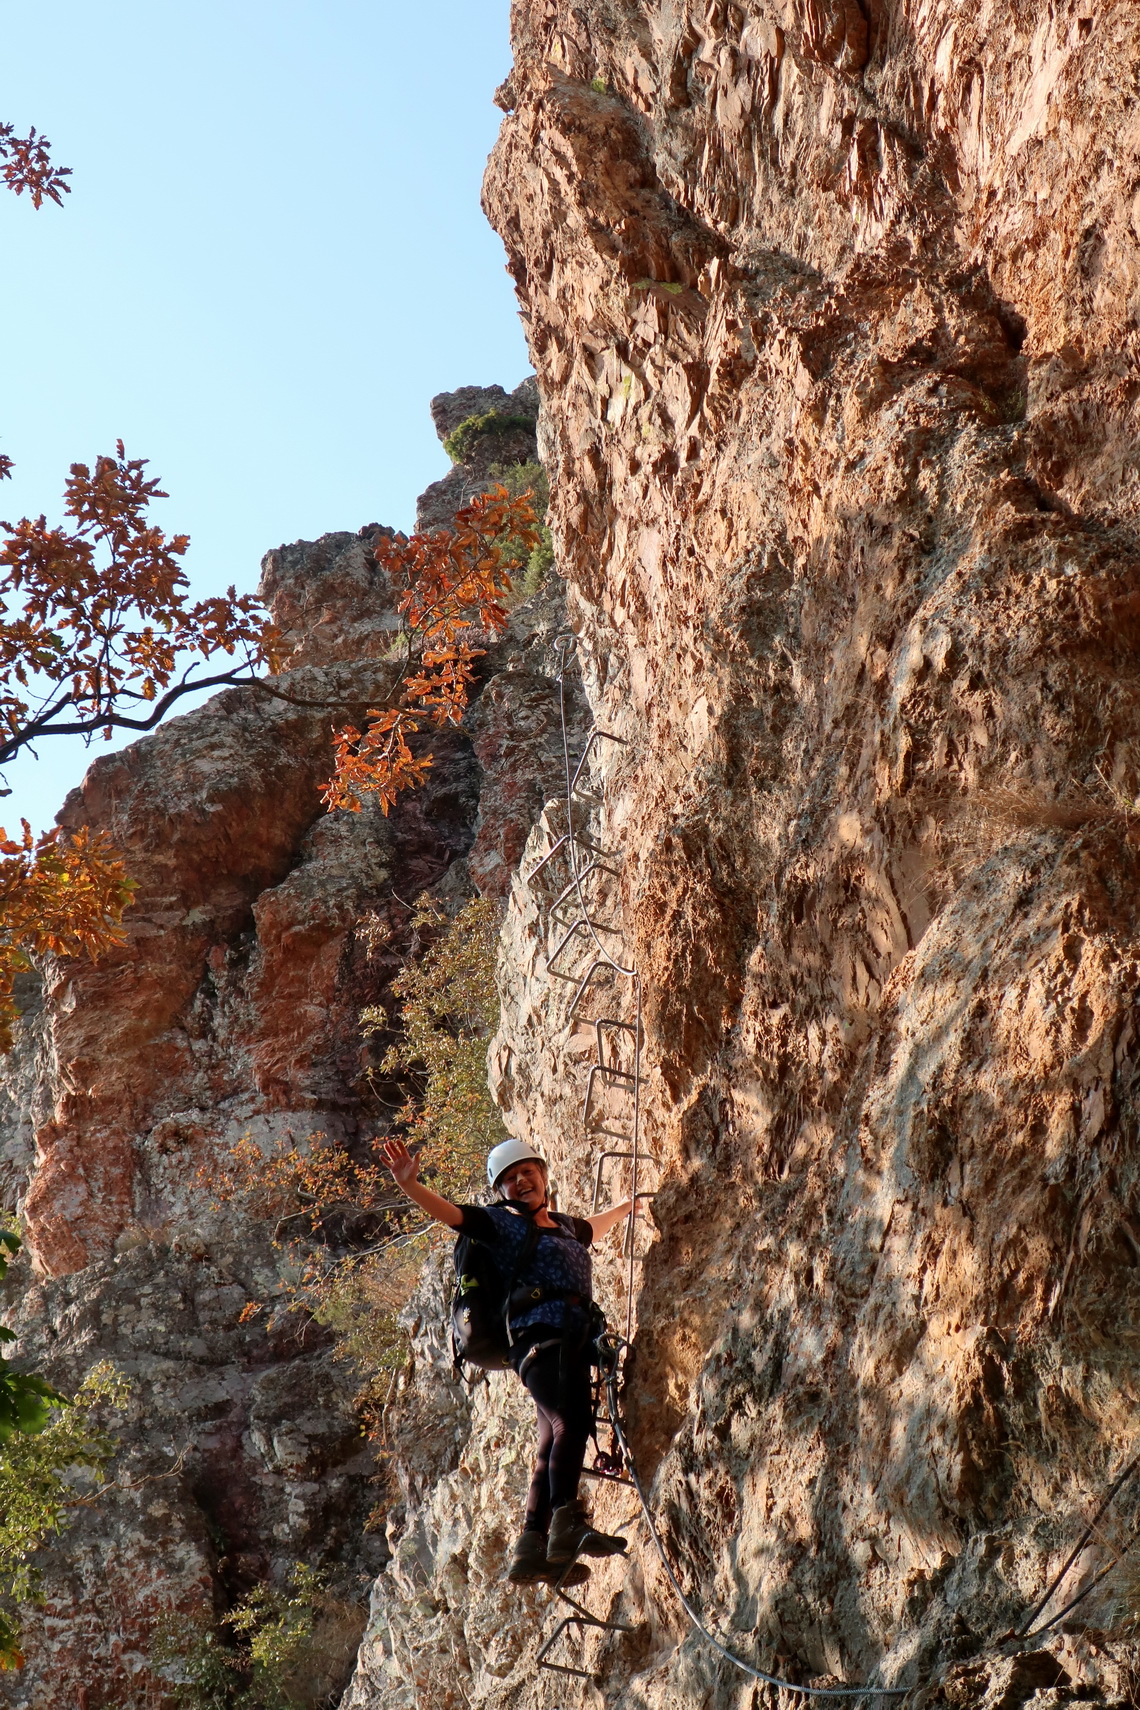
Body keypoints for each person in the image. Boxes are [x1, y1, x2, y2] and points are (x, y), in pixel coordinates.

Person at [381, 1133, 645, 1584]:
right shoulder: (501, 1225)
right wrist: (410, 1185)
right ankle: (568, 1520)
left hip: (566, 1339)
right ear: (501, 1191)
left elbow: (591, 1228)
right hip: (543, 1338)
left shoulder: (562, 1227)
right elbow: (453, 1216)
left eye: (528, 1172)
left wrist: (627, 1208)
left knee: (549, 1442)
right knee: (571, 1421)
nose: (522, 1181)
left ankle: (530, 1548)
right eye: (511, 1179)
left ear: (543, 1177)